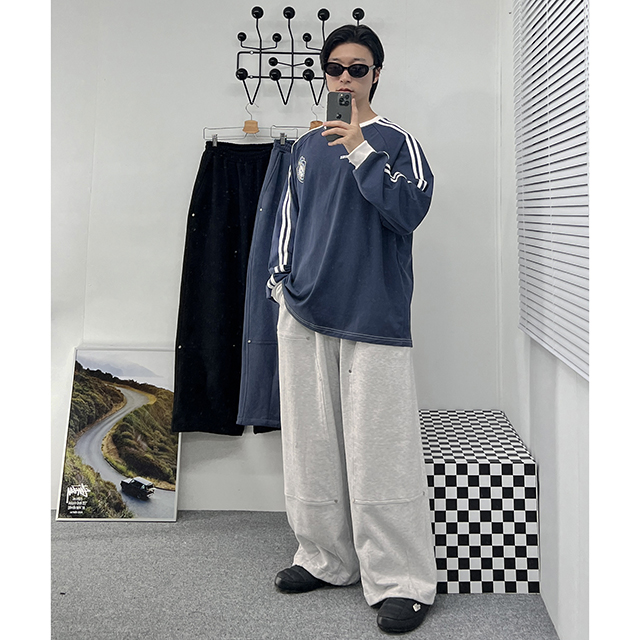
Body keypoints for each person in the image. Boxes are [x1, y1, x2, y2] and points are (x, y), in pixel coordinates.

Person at [267, 24, 438, 635]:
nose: (345, 78)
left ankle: (401, 580)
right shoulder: (304, 148)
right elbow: (288, 221)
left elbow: (409, 211)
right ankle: (325, 557)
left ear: (376, 75)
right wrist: (280, 284)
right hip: (304, 310)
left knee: (380, 451)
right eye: (335, 67)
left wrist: (361, 148)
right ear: (324, 73)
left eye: (358, 68)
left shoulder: (398, 143)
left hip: (372, 315)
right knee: (309, 446)